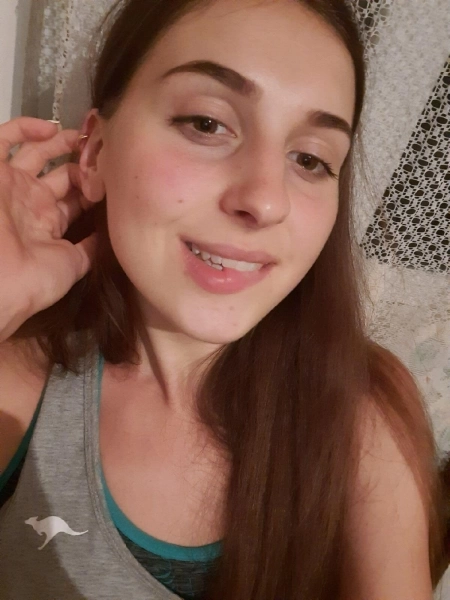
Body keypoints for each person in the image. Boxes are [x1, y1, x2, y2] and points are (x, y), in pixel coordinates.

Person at [0, 0, 447, 598]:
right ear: (96, 153)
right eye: (207, 124)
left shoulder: (362, 416)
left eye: (310, 159)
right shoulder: (18, 388)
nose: (265, 200)